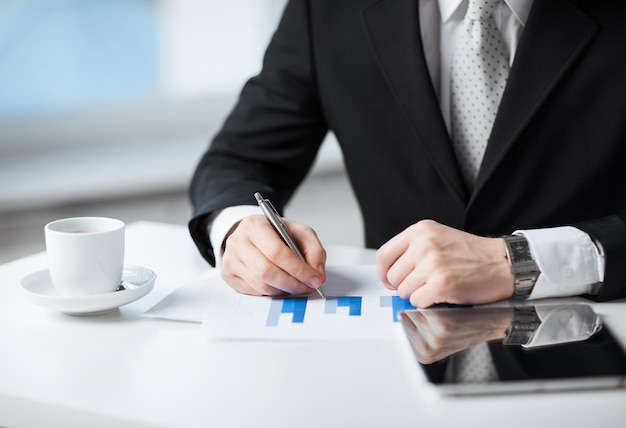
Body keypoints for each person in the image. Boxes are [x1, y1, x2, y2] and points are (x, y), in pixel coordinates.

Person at [189, 0, 626, 308]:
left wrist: (526, 261)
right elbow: (237, 158)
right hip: (392, 350)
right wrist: (240, 228)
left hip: (598, 335)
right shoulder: (324, 8)